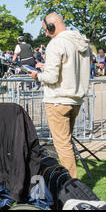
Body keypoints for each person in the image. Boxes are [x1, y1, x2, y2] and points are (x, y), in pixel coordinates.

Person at [27, 13, 90, 179]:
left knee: (62, 145)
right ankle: (71, 181)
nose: (46, 34)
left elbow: (52, 78)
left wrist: (37, 76)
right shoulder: (79, 41)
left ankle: (70, 184)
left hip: (58, 100)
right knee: (67, 143)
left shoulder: (56, 43)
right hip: (75, 98)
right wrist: (46, 66)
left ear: (52, 26)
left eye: (46, 30)